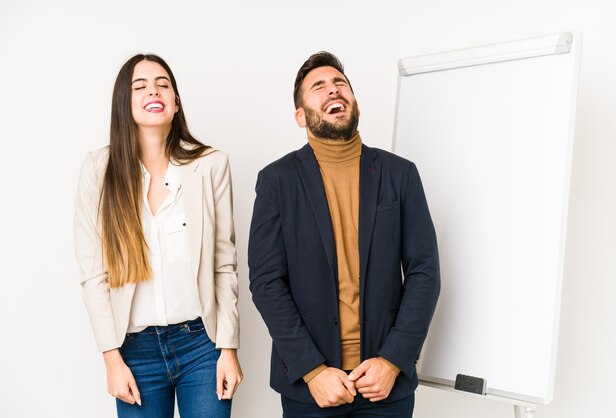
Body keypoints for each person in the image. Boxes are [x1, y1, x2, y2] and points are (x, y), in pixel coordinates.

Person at [248, 51, 440, 417]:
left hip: (385, 386)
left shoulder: (400, 175)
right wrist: (312, 370)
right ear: (300, 116)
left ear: (355, 104)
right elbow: (267, 282)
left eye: (340, 84)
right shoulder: (277, 181)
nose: (333, 90)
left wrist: (393, 360)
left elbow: (424, 273)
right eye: (318, 86)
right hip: (313, 389)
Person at [74, 54, 242, 418]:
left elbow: (223, 265)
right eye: (141, 86)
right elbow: (93, 275)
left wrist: (228, 347)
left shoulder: (211, 164)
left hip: (202, 345)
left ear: (176, 102)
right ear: (125, 102)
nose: (154, 90)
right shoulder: (98, 170)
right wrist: (111, 359)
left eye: (163, 84)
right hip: (134, 352)